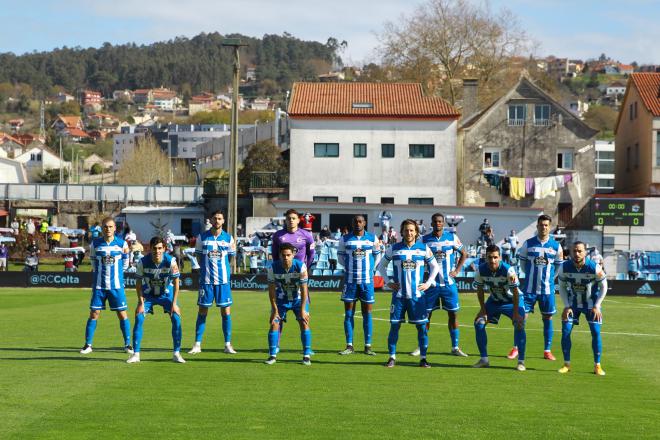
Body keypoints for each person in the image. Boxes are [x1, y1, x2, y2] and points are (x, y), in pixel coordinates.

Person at [376, 219, 440, 368]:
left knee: (422, 328)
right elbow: (381, 266)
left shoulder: (423, 248)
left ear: (416, 232)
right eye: (406, 230)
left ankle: (423, 358)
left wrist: (429, 282)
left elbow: (435, 267)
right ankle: (392, 357)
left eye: (411, 230)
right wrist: (388, 282)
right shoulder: (394, 248)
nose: (409, 233)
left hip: (417, 297)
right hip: (399, 297)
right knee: (394, 327)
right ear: (402, 232)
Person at [413, 213, 469, 357]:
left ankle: (455, 347)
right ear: (431, 223)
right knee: (426, 316)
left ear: (443, 223)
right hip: (431, 285)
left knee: (453, 314)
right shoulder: (424, 239)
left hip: (448, 285)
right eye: (435, 221)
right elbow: (416, 256)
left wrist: (457, 270)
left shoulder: (451, 237)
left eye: (440, 221)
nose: (438, 224)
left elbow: (464, 253)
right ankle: (421, 346)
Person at [127, 236, 185, 364]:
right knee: (139, 317)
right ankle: (136, 354)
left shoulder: (171, 261)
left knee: (176, 317)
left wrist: (174, 304)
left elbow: (176, 284)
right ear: (150, 249)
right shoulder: (142, 262)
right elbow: (138, 284)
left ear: (164, 249)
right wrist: (140, 303)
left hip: (166, 294)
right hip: (148, 294)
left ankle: (176, 353)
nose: (157, 251)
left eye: (160, 248)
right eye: (154, 248)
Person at [80, 217, 133, 355]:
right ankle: (88, 345)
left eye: (110, 227)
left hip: (116, 286)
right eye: (105, 227)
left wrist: (118, 275)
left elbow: (126, 264)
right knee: (94, 313)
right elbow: (92, 261)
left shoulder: (122, 244)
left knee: (122, 314)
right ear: (102, 228)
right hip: (99, 286)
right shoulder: (95, 244)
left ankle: (128, 344)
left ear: (115, 228)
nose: (108, 229)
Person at [515, 214, 563, 361]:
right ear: (537, 226)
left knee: (547, 318)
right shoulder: (528, 244)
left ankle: (547, 350)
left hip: (547, 291)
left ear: (550, 227)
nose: (544, 227)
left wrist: (549, 279)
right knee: (520, 319)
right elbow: (522, 264)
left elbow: (558, 267)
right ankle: (516, 348)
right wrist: (530, 275)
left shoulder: (556, 246)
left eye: (546, 225)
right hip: (529, 289)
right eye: (541, 225)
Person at [188, 211, 237, 355]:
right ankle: (197, 344)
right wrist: (205, 269)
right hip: (206, 281)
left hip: (223, 282)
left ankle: (227, 344)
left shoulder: (228, 238)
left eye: (220, 218)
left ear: (223, 221)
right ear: (211, 220)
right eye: (215, 218)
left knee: (226, 312)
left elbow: (231, 259)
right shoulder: (202, 237)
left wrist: (223, 271)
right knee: (202, 311)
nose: (217, 220)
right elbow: (198, 255)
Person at [472, 245, 527, 371]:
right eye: (490, 257)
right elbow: (480, 291)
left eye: (495, 257)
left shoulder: (509, 270)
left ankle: (521, 362)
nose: (492, 261)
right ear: (485, 257)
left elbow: (516, 293)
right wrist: (483, 310)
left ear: (500, 257)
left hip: (512, 301)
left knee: (519, 324)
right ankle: (484, 359)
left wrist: (515, 313)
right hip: (494, 301)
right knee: (479, 323)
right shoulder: (480, 270)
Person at [557, 241, 608, 376]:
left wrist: (597, 306)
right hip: (572, 305)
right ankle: (566, 364)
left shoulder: (594, 267)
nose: (577, 253)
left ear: (585, 252)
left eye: (580, 251)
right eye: (574, 251)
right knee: (566, 331)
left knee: (596, 332)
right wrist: (566, 306)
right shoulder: (564, 267)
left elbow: (604, 286)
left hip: (591, 306)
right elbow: (561, 287)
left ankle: (597, 365)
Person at [270, 209, 316, 348]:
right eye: (289, 218)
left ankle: (307, 350)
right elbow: (274, 255)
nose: (291, 220)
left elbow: (311, 254)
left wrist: (305, 269)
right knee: (278, 314)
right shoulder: (278, 236)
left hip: (300, 275)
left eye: (294, 218)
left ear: (298, 220)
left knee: (303, 314)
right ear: (285, 220)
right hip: (283, 277)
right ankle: (275, 345)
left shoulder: (306, 235)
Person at [337, 215, 381, 356]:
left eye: (360, 221)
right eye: (355, 221)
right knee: (349, 313)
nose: (358, 223)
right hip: (350, 281)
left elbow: (378, 255)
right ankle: (349, 345)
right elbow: (340, 257)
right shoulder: (344, 238)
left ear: (364, 223)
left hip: (367, 281)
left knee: (367, 313)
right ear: (352, 223)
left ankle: (368, 346)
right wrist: (350, 268)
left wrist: (371, 269)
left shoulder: (373, 238)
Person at [264, 243, 312, 365]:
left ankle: (306, 356)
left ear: (293, 255)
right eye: (283, 255)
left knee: (304, 322)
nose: (286, 258)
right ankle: (272, 356)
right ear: (280, 255)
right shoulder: (272, 268)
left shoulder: (301, 267)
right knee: (274, 324)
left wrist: (302, 310)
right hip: (281, 300)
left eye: (288, 255)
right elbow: (271, 291)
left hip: (298, 299)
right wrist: (274, 310)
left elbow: (305, 289)